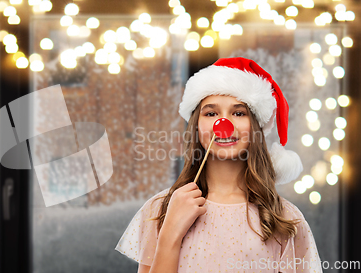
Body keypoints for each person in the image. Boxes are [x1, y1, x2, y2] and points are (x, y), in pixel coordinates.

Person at [115, 57, 323, 273]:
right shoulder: (161, 208)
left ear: (256, 127)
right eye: (211, 113)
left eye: (239, 113)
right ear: (196, 125)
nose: (223, 124)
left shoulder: (285, 218)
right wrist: (169, 234)